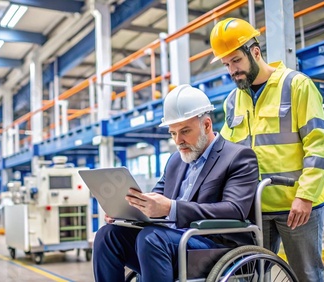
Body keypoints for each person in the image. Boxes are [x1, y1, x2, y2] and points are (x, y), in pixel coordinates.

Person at [93, 85, 260, 281]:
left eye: (185, 131)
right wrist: (127, 210)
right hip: (168, 243)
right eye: (173, 133)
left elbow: (234, 209)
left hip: (214, 245)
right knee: (107, 236)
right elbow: (155, 199)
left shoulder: (238, 157)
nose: (178, 140)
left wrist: (172, 208)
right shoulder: (176, 160)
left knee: (152, 238)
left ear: (207, 125)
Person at [210, 18, 324, 282]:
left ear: (255, 52)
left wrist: (305, 196)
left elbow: (319, 144)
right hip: (255, 207)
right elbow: (224, 151)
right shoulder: (233, 101)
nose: (232, 71)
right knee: (252, 276)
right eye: (227, 65)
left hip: (297, 207)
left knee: (306, 275)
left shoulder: (296, 85)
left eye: (236, 61)